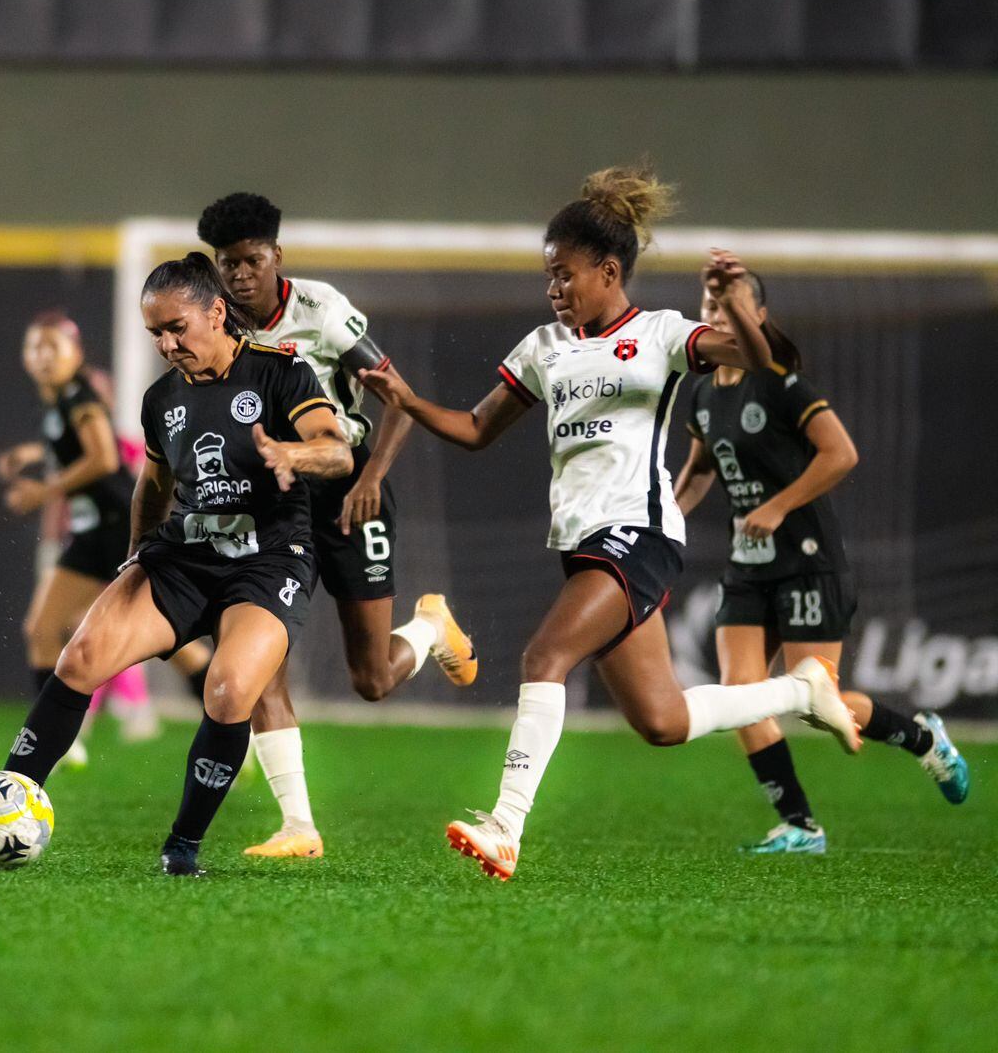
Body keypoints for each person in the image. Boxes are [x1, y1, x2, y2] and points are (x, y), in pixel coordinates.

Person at [359, 165, 860, 881]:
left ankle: (505, 826)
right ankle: (801, 690)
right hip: (584, 542)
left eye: (564, 275)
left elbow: (767, 362)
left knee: (543, 658)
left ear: (609, 270)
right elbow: (474, 429)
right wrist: (406, 399)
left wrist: (736, 305)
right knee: (662, 722)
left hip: (640, 532)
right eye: (547, 278)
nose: (554, 289)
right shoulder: (545, 348)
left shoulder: (660, 334)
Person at [0, 252, 352, 875]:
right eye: (155, 332)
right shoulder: (162, 398)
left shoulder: (281, 375)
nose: (166, 343)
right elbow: (152, 487)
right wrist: (135, 559)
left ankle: (182, 847)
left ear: (216, 311)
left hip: (269, 560)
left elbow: (336, 454)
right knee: (79, 657)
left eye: (177, 327)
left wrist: (293, 454)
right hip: (182, 555)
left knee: (228, 690)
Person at [198, 192, 478, 860]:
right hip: (270, 505)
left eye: (251, 260)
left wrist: (373, 478)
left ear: (277, 258)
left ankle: (431, 626)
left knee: (372, 679)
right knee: (262, 663)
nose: (238, 275)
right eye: (227, 263)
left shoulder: (322, 311)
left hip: (348, 492)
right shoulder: (213, 324)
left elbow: (400, 402)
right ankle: (299, 827)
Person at [674, 251, 969, 853]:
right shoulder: (702, 394)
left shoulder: (782, 384)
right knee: (739, 699)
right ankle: (801, 825)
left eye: (731, 307)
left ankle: (922, 737)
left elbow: (842, 454)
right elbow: (700, 472)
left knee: (815, 703)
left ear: (758, 314)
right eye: (710, 308)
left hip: (808, 559)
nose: (719, 319)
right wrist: (664, 522)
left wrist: (780, 504)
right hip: (748, 566)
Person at [0, 313, 209, 764]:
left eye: (54, 346)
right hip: (93, 533)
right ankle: (56, 739)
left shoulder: (80, 397)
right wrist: (31, 454)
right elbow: (70, 444)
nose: (44, 356)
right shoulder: (60, 402)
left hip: (115, 530)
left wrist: (42, 491)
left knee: (173, 641)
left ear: (76, 354)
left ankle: (230, 721)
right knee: (43, 628)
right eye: (36, 347)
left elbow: (102, 456)